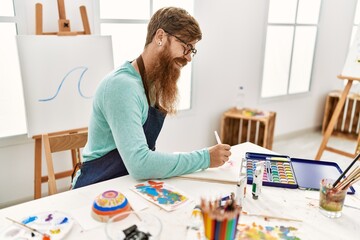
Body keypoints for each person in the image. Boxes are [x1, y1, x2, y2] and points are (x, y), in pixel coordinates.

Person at [72, 7, 231, 189]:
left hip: (125, 183)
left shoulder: (151, 84)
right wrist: (205, 158)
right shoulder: (122, 86)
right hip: (96, 187)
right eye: (185, 47)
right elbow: (140, 164)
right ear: (160, 37)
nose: (188, 58)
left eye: (192, 51)